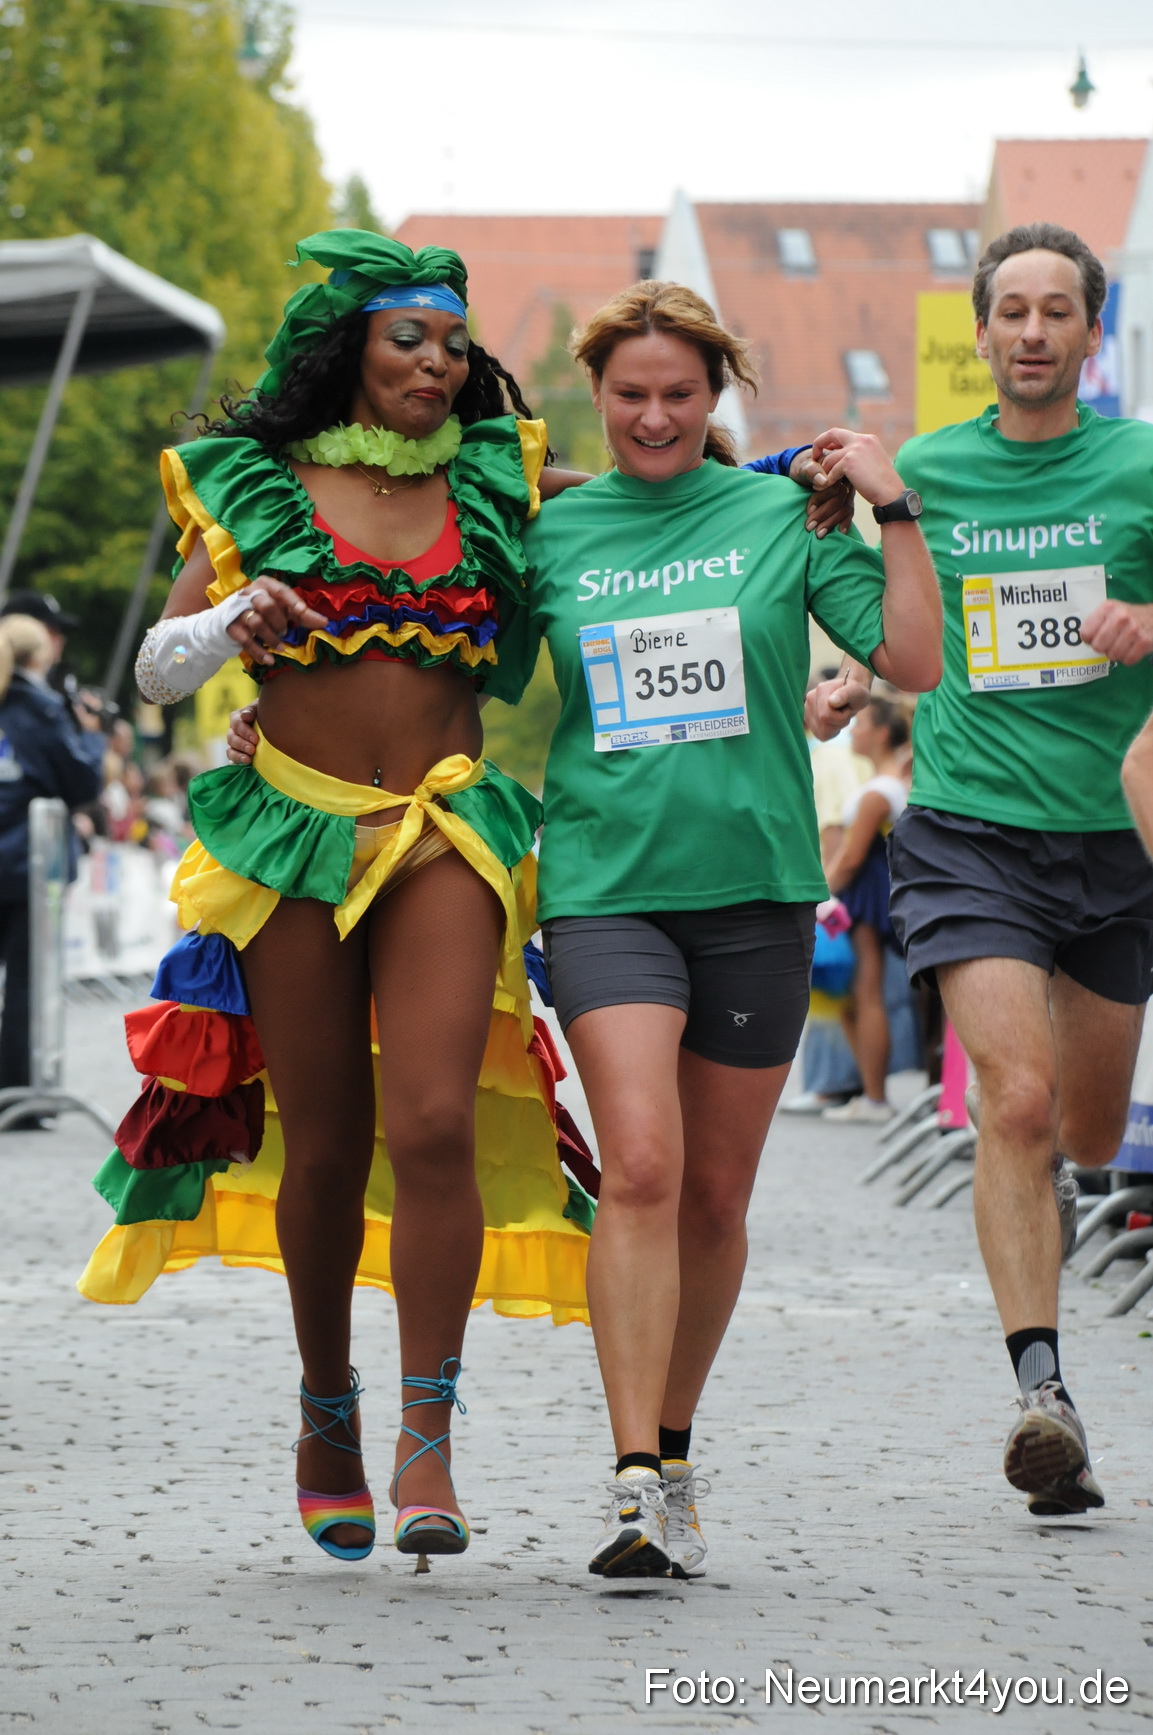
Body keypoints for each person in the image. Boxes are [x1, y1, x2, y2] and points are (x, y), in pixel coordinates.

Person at [78, 231, 601, 1568]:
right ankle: (328, 1407)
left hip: (438, 828)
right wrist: (233, 619)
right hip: (294, 833)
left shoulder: (501, 480)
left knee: (430, 1121)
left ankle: (428, 1430)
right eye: (405, 339)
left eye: (450, 341)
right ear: (349, 353)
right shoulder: (256, 485)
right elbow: (153, 668)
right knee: (323, 1139)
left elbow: (650, 506)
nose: (436, 361)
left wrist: (785, 481)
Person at [508, 282, 941, 1576]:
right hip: (604, 885)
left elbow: (910, 657)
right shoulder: (549, 532)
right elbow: (435, 675)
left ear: (717, 400)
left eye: (678, 394)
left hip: (752, 889)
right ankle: (632, 1473)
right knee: (637, 1164)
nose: (652, 414)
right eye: (630, 394)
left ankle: (679, 1440)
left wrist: (890, 500)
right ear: (598, 397)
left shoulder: (778, 514)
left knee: (712, 1193)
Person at [813, 223, 1153, 1518]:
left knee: (1077, 1124)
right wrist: (856, 670)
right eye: (1007, 309)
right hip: (968, 831)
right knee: (1009, 1100)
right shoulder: (931, 470)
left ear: (1088, 333)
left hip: (1117, 835)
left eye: (1054, 311)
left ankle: (1061, 1193)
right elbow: (907, 623)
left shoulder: (1137, 463)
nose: (1028, 332)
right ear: (979, 331)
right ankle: (1042, 1392)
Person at [0, 614, 104, 1108]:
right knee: (27, 979)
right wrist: (90, 735)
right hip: (26, 862)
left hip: (19, 854)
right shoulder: (39, 708)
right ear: (40, 654)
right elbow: (82, 783)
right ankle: (19, 1092)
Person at [822, 695, 911, 1123]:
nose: (853, 730)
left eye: (860, 724)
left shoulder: (880, 789)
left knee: (867, 992)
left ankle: (875, 1096)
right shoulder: (890, 779)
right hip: (872, 887)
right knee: (862, 994)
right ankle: (872, 1092)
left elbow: (852, 856)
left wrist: (819, 897)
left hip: (865, 890)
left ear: (881, 732)